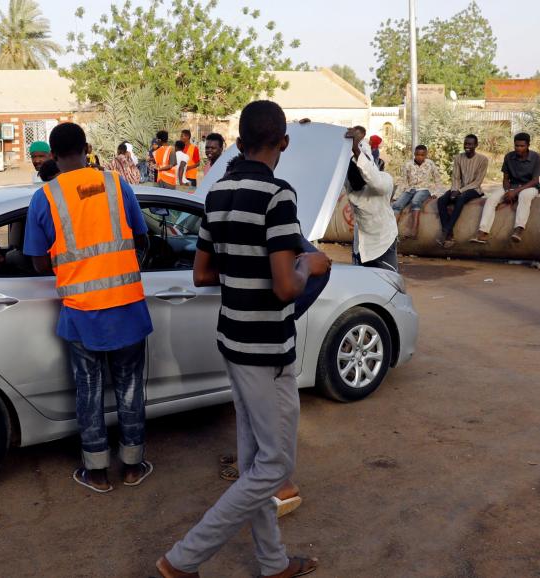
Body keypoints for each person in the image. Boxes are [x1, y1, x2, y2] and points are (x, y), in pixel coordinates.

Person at [157, 100, 327, 578]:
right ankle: (183, 558)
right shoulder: (278, 195)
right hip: (265, 347)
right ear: (283, 142)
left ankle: (272, 562)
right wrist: (309, 263)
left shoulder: (218, 193)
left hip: (234, 340)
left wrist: (245, 266)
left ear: (238, 142)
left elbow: (202, 274)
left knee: (257, 460)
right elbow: (287, 287)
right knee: (274, 468)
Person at [23, 122, 154, 493]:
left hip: (82, 311)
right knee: (130, 388)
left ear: (52, 154)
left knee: (89, 391)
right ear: (87, 148)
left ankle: (96, 471)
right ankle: (132, 466)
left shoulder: (45, 197)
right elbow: (141, 236)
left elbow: (37, 261)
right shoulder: (116, 184)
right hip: (127, 307)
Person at [343, 126, 398, 272]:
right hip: (361, 243)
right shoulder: (350, 183)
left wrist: (356, 150)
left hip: (383, 243)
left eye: (359, 167)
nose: (355, 172)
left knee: (385, 282)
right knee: (361, 283)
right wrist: (310, 131)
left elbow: (373, 179)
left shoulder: (384, 180)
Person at [471, 133, 540, 244]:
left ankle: (518, 229)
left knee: (524, 196)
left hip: (530, 186)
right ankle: (483, 232)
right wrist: (508, 191)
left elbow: (535, 180)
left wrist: (515, 192)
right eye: (516, 145)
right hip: (512, 186)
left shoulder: (536, 157)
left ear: (528, 145)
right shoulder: (509, 157)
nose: (518, 148)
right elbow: (505, 179)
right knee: (491, 199)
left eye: (522, 146)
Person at [436, 134, 488, 248]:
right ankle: (449, 234)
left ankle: (446, 231)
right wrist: (454, 190)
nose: (467, 146)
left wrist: (459, 191)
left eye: (470, 144)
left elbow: (477, 182)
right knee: (441, 200)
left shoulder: (483, 159)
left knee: (460, 198)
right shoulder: (458, 157)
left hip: (474, 190)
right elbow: (455, 177)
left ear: (476, 145)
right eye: (465, 144)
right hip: (458, 188)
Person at [392, 144, 441, 239]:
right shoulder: (408, 164)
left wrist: (436, 192)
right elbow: (403, 181)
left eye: (422, 155)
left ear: (426, 155)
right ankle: (392, 231)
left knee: (416, 201)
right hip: (410, 189)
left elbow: (437, 179)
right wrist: (396, 196)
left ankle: (414, 230)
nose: (420, 157)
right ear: (414, 154)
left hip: (424, 189)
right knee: (397, 205)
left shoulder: (430, 163)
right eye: (418, 154)